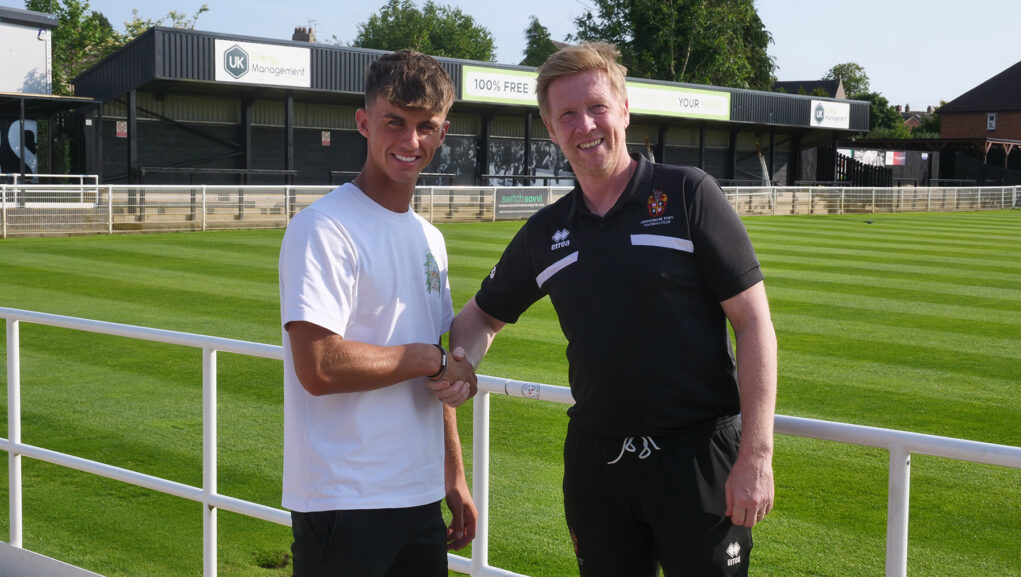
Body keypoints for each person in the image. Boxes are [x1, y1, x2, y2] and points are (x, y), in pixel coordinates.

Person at [445, 42, 777, 577]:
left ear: (624, 109)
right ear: (551, 130)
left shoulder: (688, 195)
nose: (585, 125)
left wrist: (756, 457)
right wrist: (460, 360)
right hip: (597, 465)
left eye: (597, 107)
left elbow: (754, 322)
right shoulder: (548, 231)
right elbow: (482, 316)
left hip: (696, 459)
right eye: (567, 115)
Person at [278, 49, 477, 577]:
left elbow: (439, 364)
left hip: (418, 495)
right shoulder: (324, 227)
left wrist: (453, 474)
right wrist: (425, 358)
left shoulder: (429, 238)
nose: (411, 142)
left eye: (425, 127)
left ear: (442, 133)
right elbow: (318, 367)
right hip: (343, 500)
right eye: (396, 123)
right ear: (365, 123)